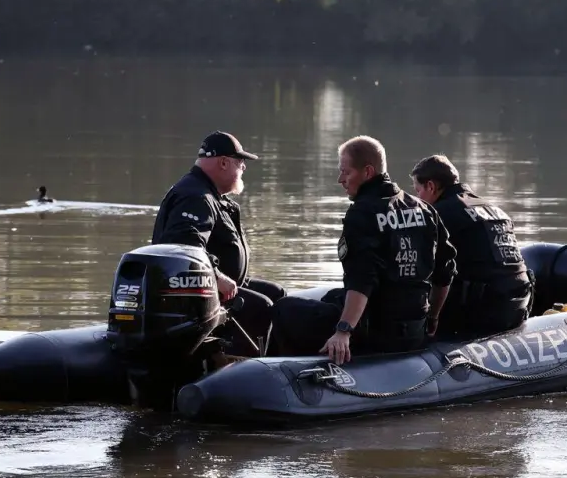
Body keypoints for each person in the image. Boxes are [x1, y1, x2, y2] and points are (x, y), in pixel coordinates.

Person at [269, 135, 455, 363]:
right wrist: (432, 319)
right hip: (415, 329)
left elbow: (362, 278)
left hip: (374, 332)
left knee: (284, 308)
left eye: (346, 172)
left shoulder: (363, 213)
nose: (340, 179)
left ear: (367, 172)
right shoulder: (425, 210)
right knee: (331, 297)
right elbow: (445, 272)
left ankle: (288, 372)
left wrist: (343, 330)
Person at [152, 131, 285, 356]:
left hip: (220, 286)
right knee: (260, 306)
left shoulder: (209, 194)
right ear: (223, 163)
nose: (244, 167)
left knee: (275, 293)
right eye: (239, 161)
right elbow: (182, 245)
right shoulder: (196, 196)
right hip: (197, 294)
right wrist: (217, 276)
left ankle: (278, 362)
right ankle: (242, 368)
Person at [410, 154, 533, 341]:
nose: (417, 198)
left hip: (483, 313)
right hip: (519, 305)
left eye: (418, 191)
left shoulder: (438, 214)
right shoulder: (494, 209)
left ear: (431, 186)